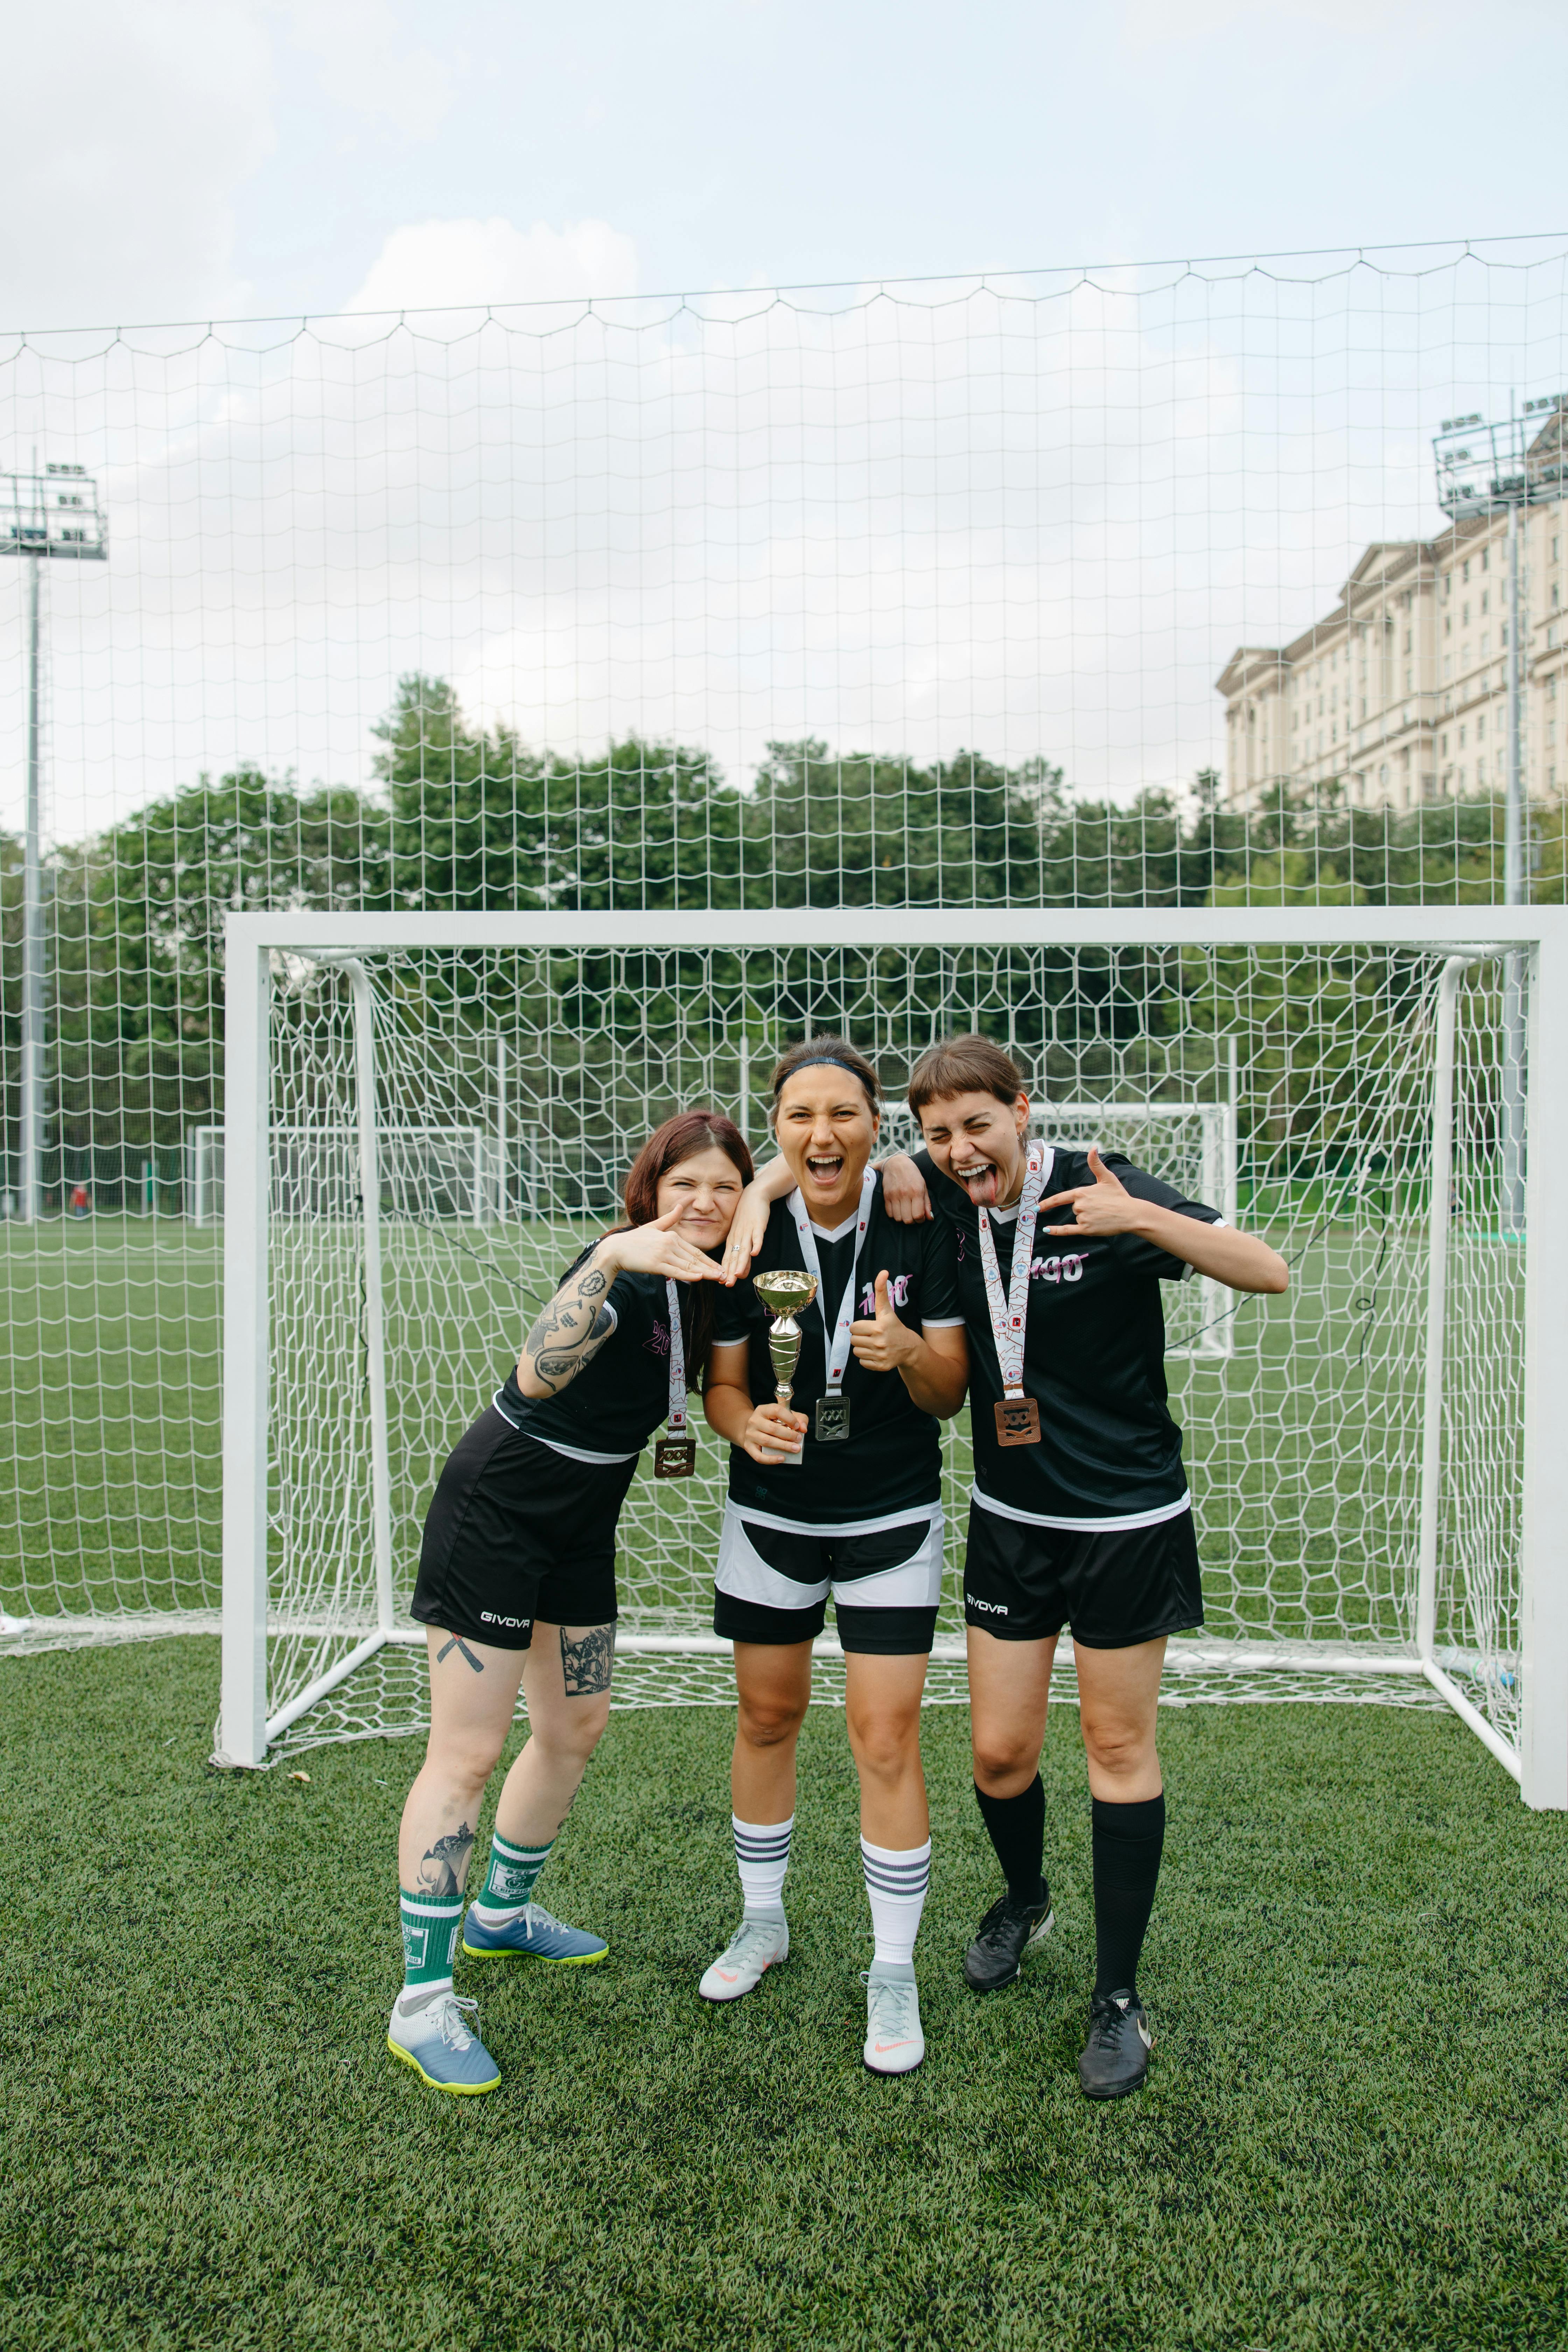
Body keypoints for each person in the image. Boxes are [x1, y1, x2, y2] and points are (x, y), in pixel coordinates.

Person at [874, 1035, 1287, 2098]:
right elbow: (818, 1165)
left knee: (1115, 1745)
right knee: (1003, 1753)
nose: (962, 1151)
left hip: (1128, 1521)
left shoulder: (1101, 1187)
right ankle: (1024, 1899)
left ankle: (1117, 1999)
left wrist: (1140, 1219)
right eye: (937, 1136)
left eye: (979, 1126)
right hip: (1012, 1517)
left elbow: (1267, 1271)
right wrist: (892, 1165)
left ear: (1024, 1108)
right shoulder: (944, 1197)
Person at [388, 1110, 753, 2095]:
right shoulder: (619, 1267)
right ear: (648, 1192)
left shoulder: (717, 1279)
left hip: (585, 1518)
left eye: (726, 1185)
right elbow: (534, 1375)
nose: (705, 1203)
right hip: (501, 1505)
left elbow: (790, 1187)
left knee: (577, 1727)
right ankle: (422, 2002)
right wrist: (606, 1261)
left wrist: (762, 1198)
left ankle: (500, 1918)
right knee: (466, 1753)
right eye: (685, 1186)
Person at [701, 1038, 968, 2076]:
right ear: (776, 1127)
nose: (824, 1134)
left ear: (874, 1125)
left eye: (845, 1115)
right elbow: (724, 1386)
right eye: (802, 1116)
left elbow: (949, 1394)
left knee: (886, 1739)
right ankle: (763, 1921)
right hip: (770, 1515)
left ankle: (891, 1969)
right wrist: (740, 1428)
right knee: (767, 1717)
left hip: (891, 1517)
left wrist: (908, 1355)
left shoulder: (921, 1221)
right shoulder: (747, 1227)